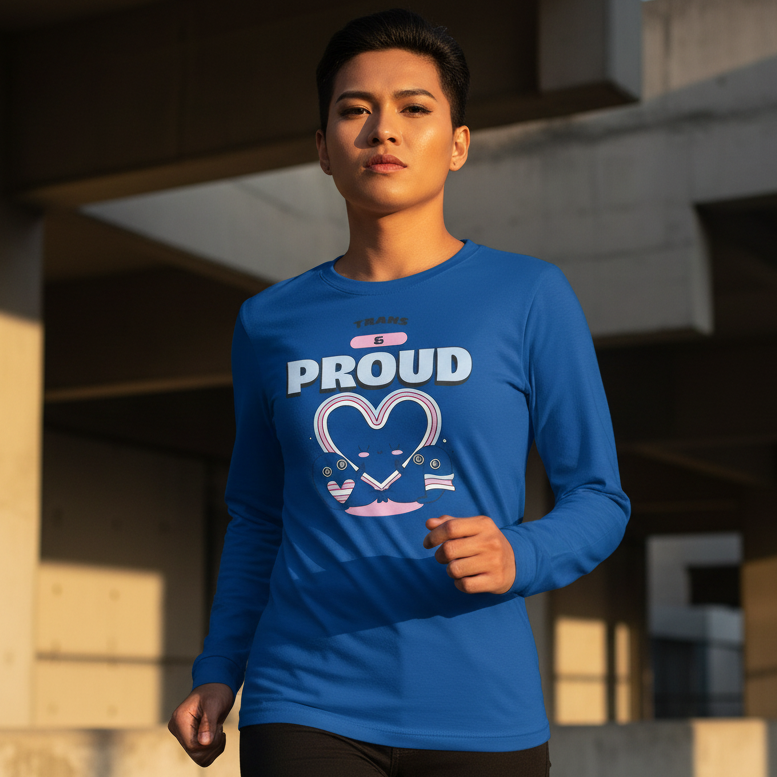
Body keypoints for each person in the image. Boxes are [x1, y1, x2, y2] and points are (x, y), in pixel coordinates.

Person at [168, 8, 631, 776]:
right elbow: (257, 516)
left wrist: (520, 552)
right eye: (354, 110)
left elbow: (599, 497)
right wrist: (220, 667)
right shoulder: (268, 321)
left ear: (456, 145)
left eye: (414, 109)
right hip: (303, 699)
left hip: (481, 709)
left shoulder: (527, 295)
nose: (382, 130)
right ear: (322, 149)